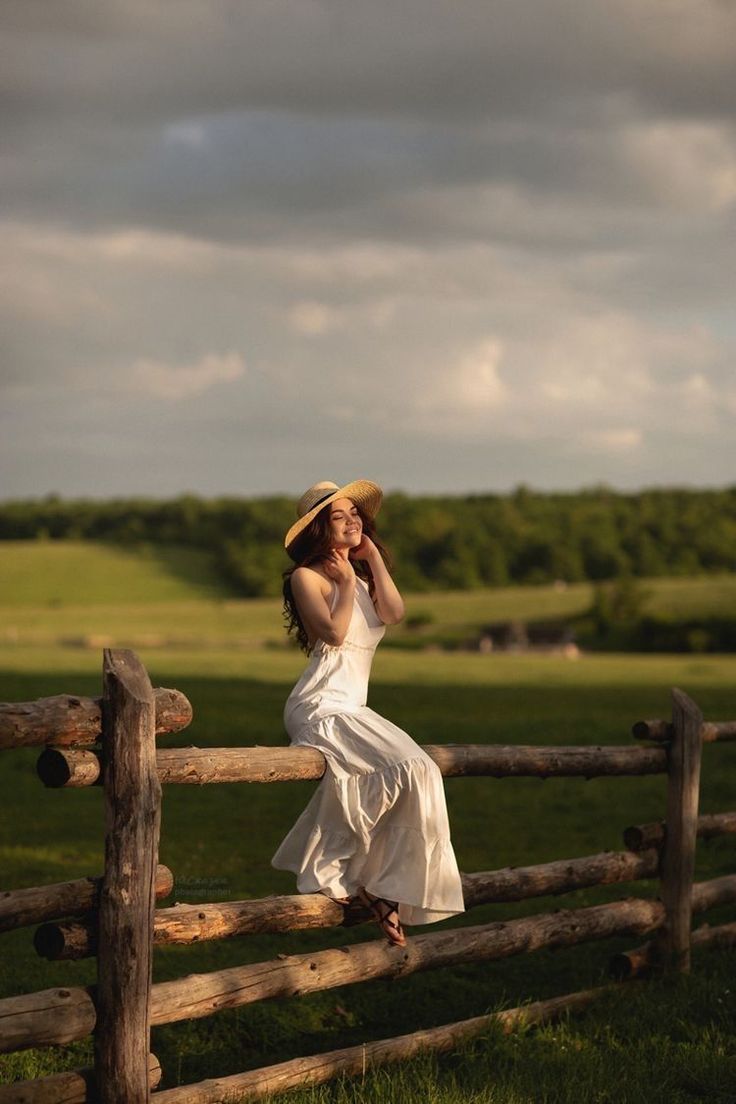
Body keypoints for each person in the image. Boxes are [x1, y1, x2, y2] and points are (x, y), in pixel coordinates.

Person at [271, 479, 465, 947]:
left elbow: (394, 612)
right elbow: (333, 636)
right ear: (320, 528)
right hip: (319, 705)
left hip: (354, 706)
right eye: (340, 516)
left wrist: (371, 558)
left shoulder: (360, 580)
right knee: (409, 767)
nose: (352, 520)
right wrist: (339, 584)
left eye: (355, 514)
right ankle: (348, 873)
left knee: (422, 773)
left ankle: (381, 887)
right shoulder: (308, 578)